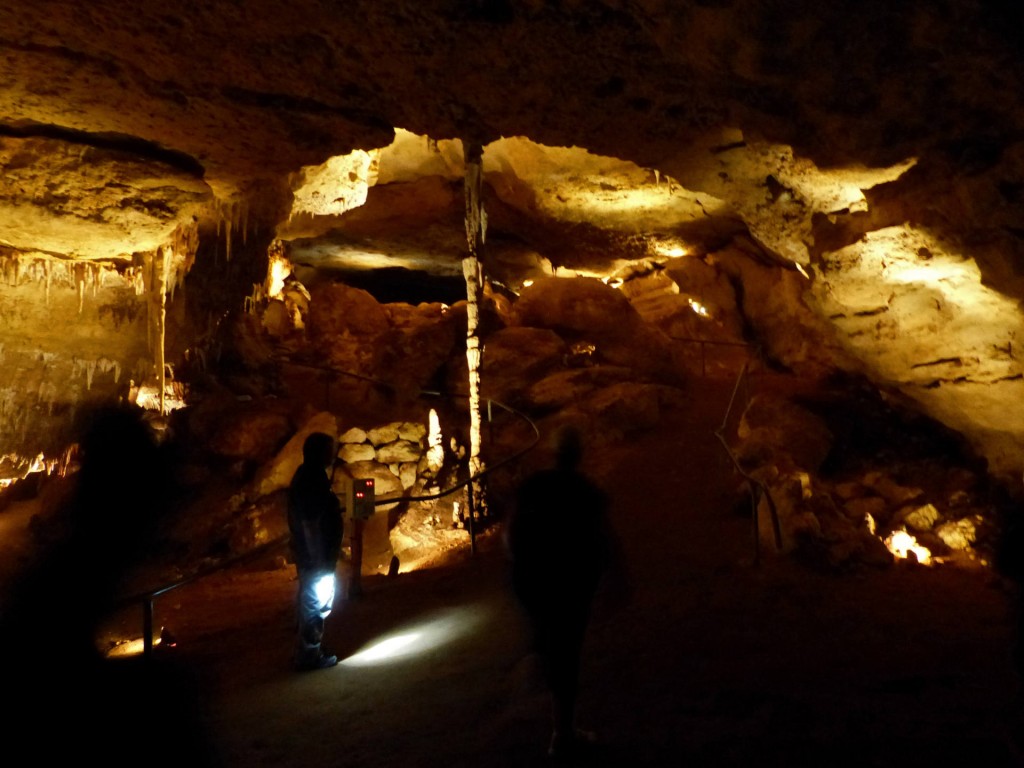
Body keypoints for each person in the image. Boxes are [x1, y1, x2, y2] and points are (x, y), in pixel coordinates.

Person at [506, 426, 623, 760]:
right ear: (578, 454)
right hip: (571, 583)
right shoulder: (586, 491)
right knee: (567, 655)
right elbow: (606, 535)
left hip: (537, 580)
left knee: (551, 643)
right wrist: (616, 577)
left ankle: (541, 678)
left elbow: (511, 531)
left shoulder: (533, 486)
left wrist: (519, 572)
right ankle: (562, 732)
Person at [288, 431, 343, 671]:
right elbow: (310, 522)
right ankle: (310, 656)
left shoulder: (311, 475)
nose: (333, 454)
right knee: (316, 604)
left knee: (314, 603)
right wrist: (318, 557)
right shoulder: (311, 479)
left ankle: (311, 650)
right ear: (318, 453)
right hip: (317, 557)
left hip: (316, 555)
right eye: (329, 450)